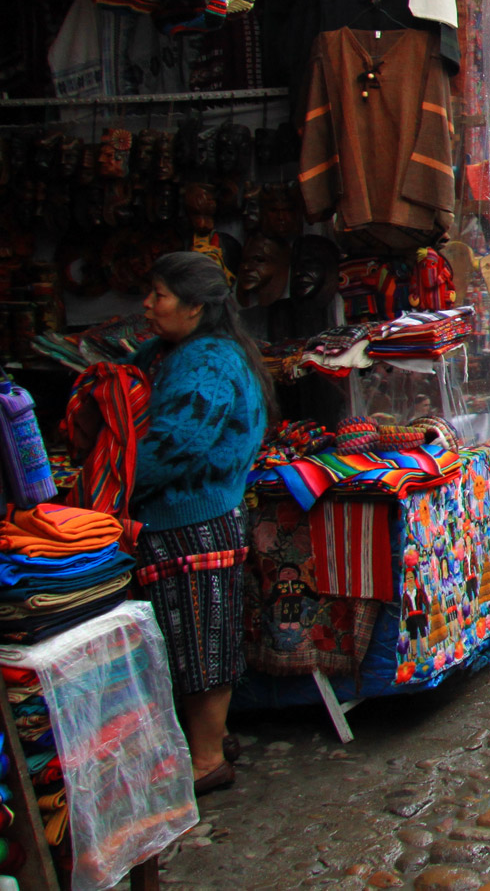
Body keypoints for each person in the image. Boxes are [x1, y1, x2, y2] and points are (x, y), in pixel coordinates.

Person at [131, 252, 273, 794]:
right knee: (192, 631)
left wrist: (110, 482)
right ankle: (208, 739)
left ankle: (207, 759)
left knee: (200, 635)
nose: (147, 305)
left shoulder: (207, 362)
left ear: (195, 307)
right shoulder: (180, 352)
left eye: (160, 295)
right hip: (189, 518)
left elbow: (177, 443)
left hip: (193, 520)